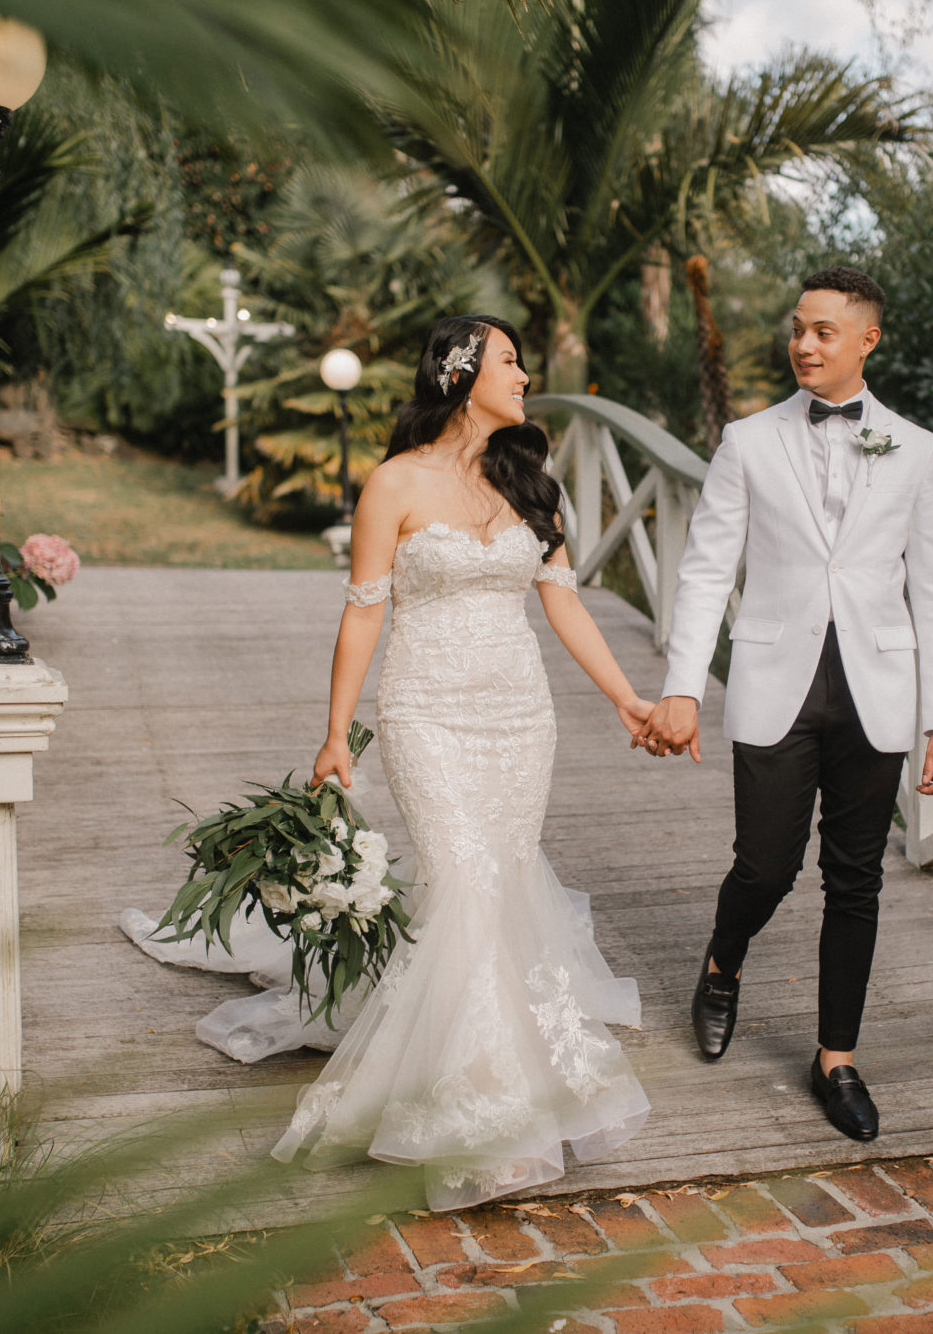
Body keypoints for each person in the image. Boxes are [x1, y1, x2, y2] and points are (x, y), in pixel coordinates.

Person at [274, 314, 655, 1209]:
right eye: (511, 361)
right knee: (464, 881)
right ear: (459, 372)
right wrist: (336, 732)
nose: (525, 375)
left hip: (521, 715)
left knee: (504, 883)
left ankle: (507, 1092)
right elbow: (365, 610)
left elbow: (563, 606)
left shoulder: (533, 484)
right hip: (425, 711)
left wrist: (626, 698)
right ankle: (479, 1118)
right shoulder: (394, 484)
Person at [642, 267, 933, 1142]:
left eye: (824, 331)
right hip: (775, 680)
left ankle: (837, 1057)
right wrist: (681, 685)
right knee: (766, 865)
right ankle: (723, 956)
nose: (804, 344)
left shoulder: (917, 448)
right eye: (797, 328)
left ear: (868, 340)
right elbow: (708, 568)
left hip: (879, 689)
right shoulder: (748, 442)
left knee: (855, 877)